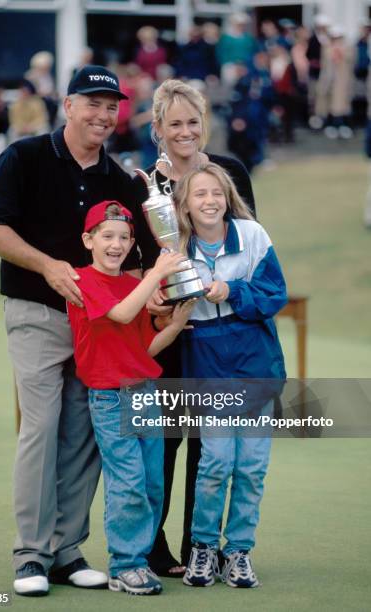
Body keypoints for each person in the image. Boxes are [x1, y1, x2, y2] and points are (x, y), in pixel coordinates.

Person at [0, 65, 138, 597]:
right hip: (38, 314)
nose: (103, 115)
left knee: (82, 437)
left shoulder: (119, 179)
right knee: (41, 431)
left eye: (111, 106)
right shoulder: (24, 156)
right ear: (67, 106)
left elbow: (133, 255)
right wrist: (47, 264)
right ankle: (30, 555)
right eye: (92, 103)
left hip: (97, 327)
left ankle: (67, 550)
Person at [131, 78, 256, 576]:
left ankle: (198, 546)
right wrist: (155, 291)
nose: (185, 132)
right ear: (157, 128)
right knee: (161, 442)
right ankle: (152, 547)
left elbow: (246, 243)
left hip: (218, 335)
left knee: (211, 445)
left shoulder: (230, 173)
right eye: (174, 123)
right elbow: (134, 256)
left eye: (193, 121)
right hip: (164, 332)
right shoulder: (140, 185)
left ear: (204, 124)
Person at [67, 200, 195, 595]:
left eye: (124, 237)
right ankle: (126, 565)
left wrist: (175, 325)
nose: (116, 244)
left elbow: (145, 349)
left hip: (146, 394)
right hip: (109, 399)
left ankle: (137, 559)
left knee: (153, 482)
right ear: (89, 240)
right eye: (107, 236)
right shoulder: (82, 281)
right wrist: (155, 272)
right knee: (128, 483)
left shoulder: (130, 285)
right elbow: (121, 315)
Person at [173, 163, 286, 588]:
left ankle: (238, 551)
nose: (209, 201)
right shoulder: (176, 248)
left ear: (228, 196)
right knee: (217, 461)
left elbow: (274, 294)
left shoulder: (253, 235)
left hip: (255, 362)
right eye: (199, 194)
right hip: (207, 364)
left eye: (216, 193)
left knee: (253, 465)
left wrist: (232, 291)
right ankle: (203, 548)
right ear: (184, 204)